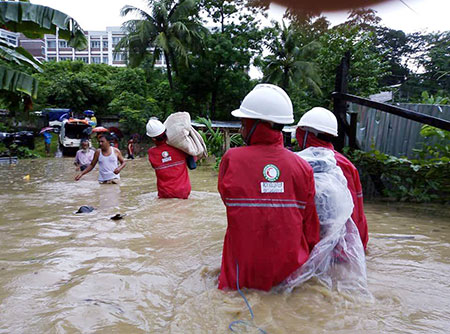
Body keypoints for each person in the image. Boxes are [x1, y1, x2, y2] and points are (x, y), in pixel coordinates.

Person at [217, 84, 320, 291]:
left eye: (243, 122)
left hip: (240, 276)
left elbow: (229, 201)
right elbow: (311, 228)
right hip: (290, 277)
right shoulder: (303, 167)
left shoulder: (232, 159)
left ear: (256, 124)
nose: (241, 128)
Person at [296, 107, 369, 249]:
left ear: (304, 133)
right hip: (341, 246)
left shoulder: (296, 162)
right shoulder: (346, 164)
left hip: (309, 248)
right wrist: (360, 247)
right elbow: (357, 212)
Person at [146, 118, 192, 199]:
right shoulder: (179, 147)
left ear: (153, 138)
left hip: (165, 193)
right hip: (183, 192)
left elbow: (155, 166)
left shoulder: (151, 153)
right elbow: (194, 159)